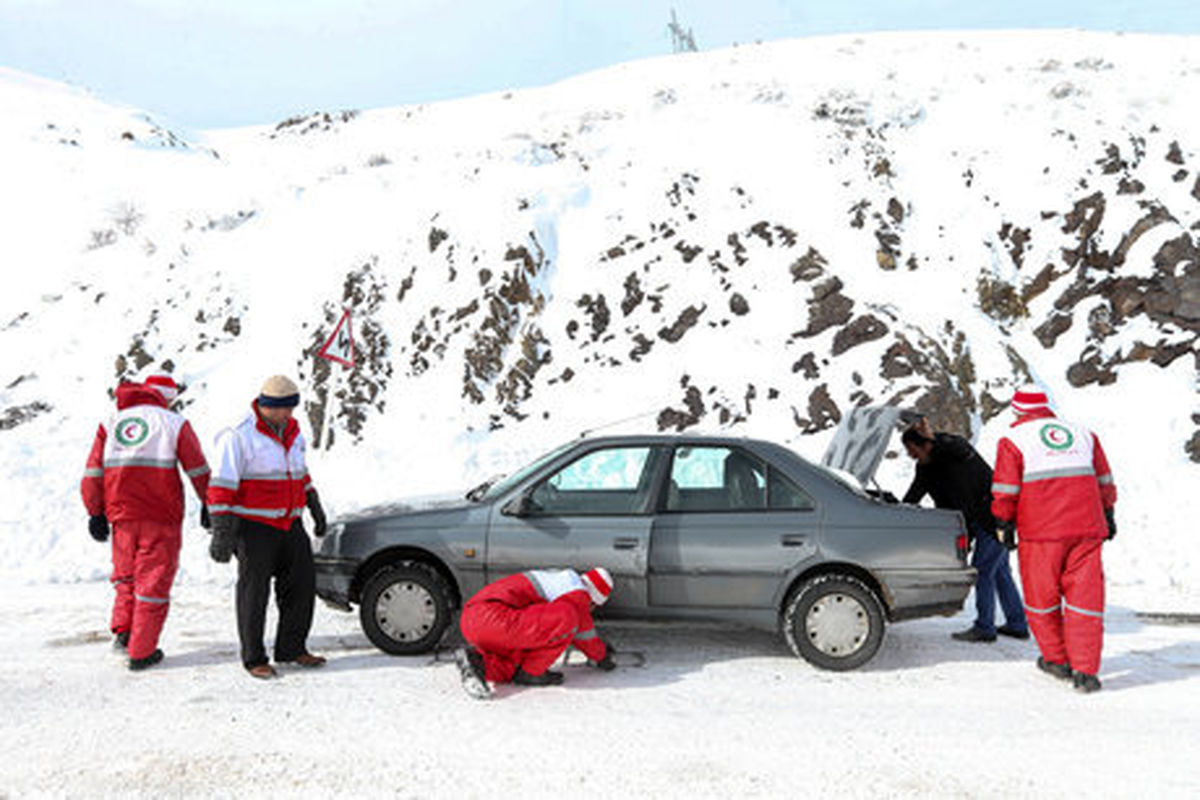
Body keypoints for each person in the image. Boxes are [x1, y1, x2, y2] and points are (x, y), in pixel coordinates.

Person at [80, 371, 211, 671]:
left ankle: (124, 634)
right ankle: (142, 652)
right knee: (152, 582)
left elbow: (93, 472)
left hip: (121, 517)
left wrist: (94, 511)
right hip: (160, 517)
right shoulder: (174, 423)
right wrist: (209, 501)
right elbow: (198, 468)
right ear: (169, 398)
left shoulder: (111, 422)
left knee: (126, 577)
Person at [991, 385, 1117, 693]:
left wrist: (1003, 524)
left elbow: (1006, 489)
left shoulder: (1013, 440)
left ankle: (1057, 660)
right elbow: (1104, 479)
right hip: (1087, 529)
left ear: (1017, 410)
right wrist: (1109, 513)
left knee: (1042, 600)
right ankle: (1086, 672)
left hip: (1041, 533)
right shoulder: (1084, 434)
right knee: (1085, 601)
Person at [206, 375, 328, 679]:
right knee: (254, 592)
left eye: (292, 408)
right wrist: (222, 532)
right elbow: (221, 486)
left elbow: (299, 472)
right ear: (267, 405)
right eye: (284, 408)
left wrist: (314, 503)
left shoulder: (293, 431)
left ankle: (291, 648)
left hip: (289, 521)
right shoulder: (238, 435)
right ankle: (254, 657)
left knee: (302, 585)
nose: (289, 414)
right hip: (253, 526)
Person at [902, 416, 1029, 643]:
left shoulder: (952, 452)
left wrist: (932, 436)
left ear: (926, 444)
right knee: (999, 572)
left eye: (912, 449)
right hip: (976, 521)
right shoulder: (926, 468)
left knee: (983, 571)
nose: (910, 455)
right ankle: (1017, 623)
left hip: (994, 516)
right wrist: (897, 510)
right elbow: (914, 494)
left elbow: (957, 446)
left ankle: (985, 628)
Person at [455, 567, 617, 699]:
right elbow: (584, 636)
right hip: (494, 617)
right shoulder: (578, 594)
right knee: (567, 618)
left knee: (514, 664)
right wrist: (602, 656)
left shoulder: (560, 578)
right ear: (594, 598)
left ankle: (476, 661)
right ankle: (531, 672)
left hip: (474, 620)